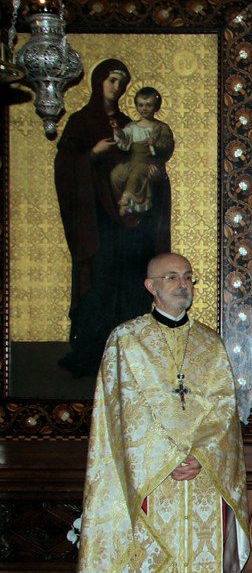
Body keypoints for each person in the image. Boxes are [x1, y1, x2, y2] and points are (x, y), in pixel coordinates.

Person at [72, 252, 249, 573]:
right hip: (148, 483)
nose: (182, 284)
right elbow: (120, 415)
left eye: (188, 277)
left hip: (202, 484)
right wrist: (169, 458)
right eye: (171, 277)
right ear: (150, 286)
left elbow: (225, 414)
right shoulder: (125, 341)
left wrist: (202, 456)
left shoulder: (210, 344)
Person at [54, 59, 173, 378]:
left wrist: (155, 175)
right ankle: (93, 351)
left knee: (131, 282)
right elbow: (66, 166)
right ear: (98, 82)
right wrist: (93, 153)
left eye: (122, 82)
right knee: (101, 281)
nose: (116, 87)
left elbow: (149, 159)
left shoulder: (127, 122)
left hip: (131, 223)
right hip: (98, 223)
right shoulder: (82, 122)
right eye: (111, 80)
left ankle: (129, 350)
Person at [110, 86, 175, 220]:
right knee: (116, 175)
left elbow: (168, 147)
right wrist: (117, 130)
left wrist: (155, 145)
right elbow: (124, 139)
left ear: (156, 107)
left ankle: (127, 202)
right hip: (133, 160)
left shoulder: (161, 128)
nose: (144, 108)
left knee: (136, 175)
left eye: (149, 105)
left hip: (148, 162)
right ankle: (120, 202)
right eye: (141, 105)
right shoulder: (132, 126)